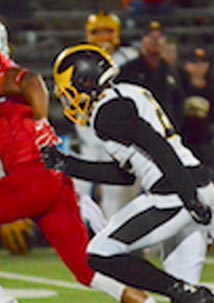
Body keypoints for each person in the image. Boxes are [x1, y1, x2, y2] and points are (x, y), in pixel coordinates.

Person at [0, 12, 190, 303]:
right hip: (53, 182)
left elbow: (31, 82)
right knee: (87, 269)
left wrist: (38, 122)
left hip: (30, 177)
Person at [48, 43, 214, 303]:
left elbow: (157, 145)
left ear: (84, 81)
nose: (69, 100)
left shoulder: (106, 112)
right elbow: (126, 173)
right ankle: (186, 294)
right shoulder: (129, 93)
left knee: (100, 253)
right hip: (193, 184)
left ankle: (183, 292)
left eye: (69, 91)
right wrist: (68, 165)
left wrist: (188, 199)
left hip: (175, 192)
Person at [77, 11, 141, 222]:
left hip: (117, 135)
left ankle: (113, 237)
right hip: (87, 134)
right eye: (98, 32)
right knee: (78, 191)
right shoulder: (79, 59)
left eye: (107, 31)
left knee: (115, 193)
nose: (103, 37)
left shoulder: (130, 58)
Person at [117, 21, 184, 130]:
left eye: (159, 37)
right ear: (143, 40)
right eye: (150, 37)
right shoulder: (129, 70)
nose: (155, 41)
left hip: (165, 130)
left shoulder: (170, 70)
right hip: (137, 131)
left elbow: (178, 102)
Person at [180, 48, 214, 169]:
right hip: (184, 140)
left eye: (202, 63)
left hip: (204, 142)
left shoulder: (211, 91)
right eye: (194, 63)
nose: (198, 67)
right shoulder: (181, 88)